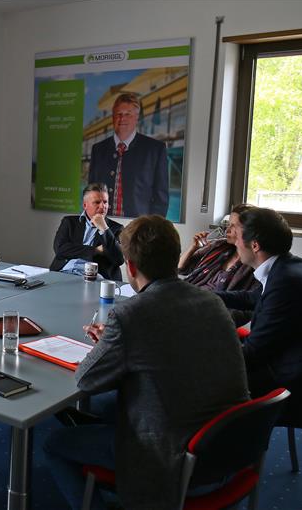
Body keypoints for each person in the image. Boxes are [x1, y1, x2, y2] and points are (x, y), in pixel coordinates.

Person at [44, 215, 249, 509]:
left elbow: (85, 380)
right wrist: (118, 343)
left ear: (130, 267)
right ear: (175, 257)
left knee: (55, 443)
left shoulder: (130, 314)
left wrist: (109, 345)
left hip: (175, 460)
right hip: (231, 449)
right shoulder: (213, 302)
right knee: (110, 408)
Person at [215, 207, 302, 428]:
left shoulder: (286, 282)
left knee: (208, 387)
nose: (235, 243)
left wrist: (204, 361)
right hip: (297, 363)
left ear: (255, 245)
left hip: (299, 385)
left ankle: (229, 445)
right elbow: (252, 298)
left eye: (237, 235)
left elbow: (253, 354)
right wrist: (206, 295)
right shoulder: (290, 266)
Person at [87, 93, 169, 218]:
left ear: (137, 118)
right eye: (118, 114)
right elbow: (91, 194)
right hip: (102, 225)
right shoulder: (98, 150)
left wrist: (151, 227)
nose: (122, 118)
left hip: (138, 228)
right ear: (113, 117)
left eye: (128, 114)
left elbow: (161, 199)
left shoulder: (155, 150)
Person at [178, 203, 260, 324]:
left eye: (233, 226)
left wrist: (210, 319)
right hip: (185, 299)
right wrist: (193, 248)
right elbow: (181, 269)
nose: (227, 230)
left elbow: (247, 310)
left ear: (247, 230)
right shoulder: (219, 246)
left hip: (206, 317)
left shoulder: (255, 264)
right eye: (228, 224)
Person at [49, 183, 124, 281]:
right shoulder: (69, 222)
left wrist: (104, 228)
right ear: (85, 205)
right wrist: (95, 250)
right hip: (64, 272)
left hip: (96, 278)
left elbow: (118, 260)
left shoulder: (116, 228)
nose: (103, 206)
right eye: (97, 202)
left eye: (105, 202)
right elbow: (60, 250)